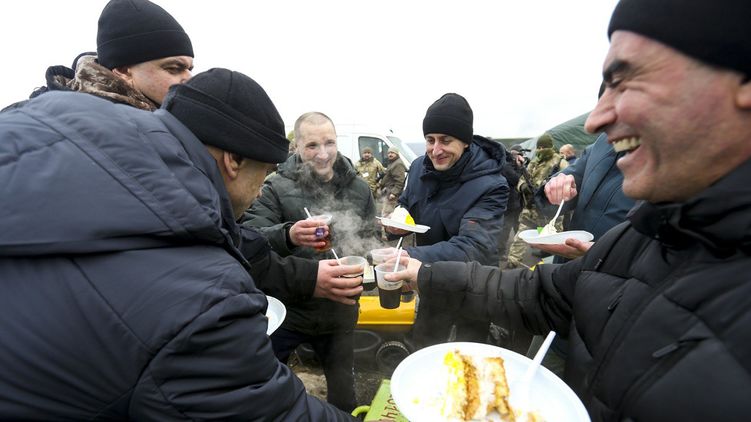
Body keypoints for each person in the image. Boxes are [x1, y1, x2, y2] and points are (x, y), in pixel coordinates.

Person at [388, 0, 751, 420]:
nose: (595, 120)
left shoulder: (491, 183)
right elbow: (540, 292)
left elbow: (482, 247)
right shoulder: (644, 233)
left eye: (626, 81)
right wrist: (425, 272)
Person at [0, 68, 354, 420]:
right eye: (263, 173)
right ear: (234, 160)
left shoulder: (65, 128)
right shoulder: (203, 295)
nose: (261, 188)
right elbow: (272, 412)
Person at [242, 111, 377, 412]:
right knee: (265, 390)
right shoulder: (274, 186)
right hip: (289, 312)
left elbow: (368, 239)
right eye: (312, 145)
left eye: (329, 142)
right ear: (297, 147)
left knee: (344, 395)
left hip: (339, 314)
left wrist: (370, 264)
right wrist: (288, 234)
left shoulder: (359, 188)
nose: (323, 154)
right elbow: (249, 238)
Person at [385, 93, 508, 348]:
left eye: (446, 140)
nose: (435, 150)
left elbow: (474, 246)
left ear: (464, 142)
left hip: (474, 285)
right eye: (430, 140)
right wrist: (397, 222)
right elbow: (407, 203)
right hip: (430, 279)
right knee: (425, 344)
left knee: (467, 356)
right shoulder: (419, 166)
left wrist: (410, 254)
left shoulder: (492, 184)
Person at [3, 0, 194, 112]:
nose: (189, 78)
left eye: (189, 68)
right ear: (123, 70)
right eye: (173, 68)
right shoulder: (39, 120)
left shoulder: (186, 124)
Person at [534, 132, 635, 261]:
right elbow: (575, 175)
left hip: (616, 272)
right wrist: (552, 188)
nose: (591, 124)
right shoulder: (603, 142)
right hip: (566, 261)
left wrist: (607, 254)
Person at [505, 132, 568, 269]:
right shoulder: (534, 162)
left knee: (555, 240)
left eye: (543, 148)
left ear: (550, 147)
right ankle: (512, 261)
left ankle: (556, 266)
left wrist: (548, 189)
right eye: (538, 148)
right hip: (531, 208)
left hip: (551, 211)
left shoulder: (560, 162)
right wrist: (524, 187)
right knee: (520, 236)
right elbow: (522, 179)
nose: (540, 151)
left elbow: (568, 182)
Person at [377, 147, 407, 217]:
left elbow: (400, 181)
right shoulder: (392, 162)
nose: (390, 154)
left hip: (392, 194)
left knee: (388, 214)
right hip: (388, 191)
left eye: (392, 153)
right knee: (386, 212)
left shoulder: (398, 164)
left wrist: (394, 193)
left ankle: (386, 227)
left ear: (396, 154)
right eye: (389, 153)